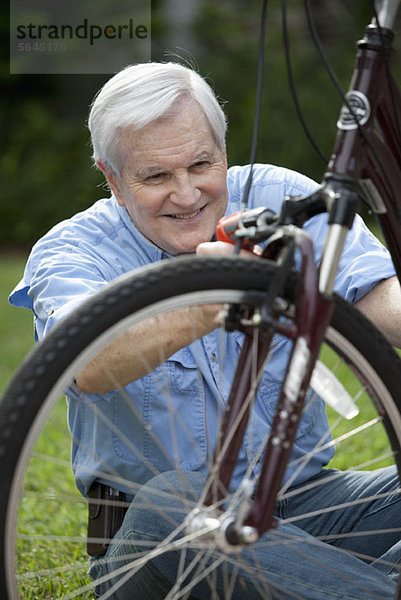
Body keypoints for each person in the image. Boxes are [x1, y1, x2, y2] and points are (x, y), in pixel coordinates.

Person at [9, 62, 401, 599]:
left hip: (312, 505)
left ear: (222, 148)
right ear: (113, 179)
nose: (188, 193)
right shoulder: (72, 250)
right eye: (156, 176)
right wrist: (219, 293)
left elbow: (383, 307)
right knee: (177, 503)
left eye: (201, 163)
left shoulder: (277, 196)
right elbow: (88, 364)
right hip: (154, 536)